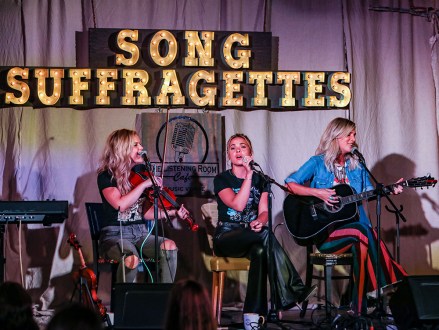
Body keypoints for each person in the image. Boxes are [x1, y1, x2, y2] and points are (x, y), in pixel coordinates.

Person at [284, 117, 407, 315]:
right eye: (348, 134)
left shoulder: (357, 165)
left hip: (357, 233)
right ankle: (392, 286)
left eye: (354, 134)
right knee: (364, 233)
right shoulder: (317, 163)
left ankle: (358, 310)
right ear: (335, 137)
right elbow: (290, 184)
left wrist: (389, 190)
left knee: (363, 239)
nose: (353, 139)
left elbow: (369, 191)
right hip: (327, 236)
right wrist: (319, 193)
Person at [213, 133, 317, 317]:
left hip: (253, 236)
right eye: (233, 147)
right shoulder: (222, 179)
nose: (238, 150)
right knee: (266, 234)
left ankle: (253, 316)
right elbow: (238, 205)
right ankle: (292, 290)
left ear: (250, 152)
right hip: (227, 236)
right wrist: (249, 176)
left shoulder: (262, 180)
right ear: (228, 155)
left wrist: (259, 222)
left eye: (242, 146)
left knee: (261, 252)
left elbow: (263, 212)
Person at [97, 128, 189, 283]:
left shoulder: (138, 176)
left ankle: (165, 299)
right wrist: (144, 185)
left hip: (140, 233)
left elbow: (146, 213)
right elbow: (120, 205)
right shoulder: (107, 176)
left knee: (169, 245)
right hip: (114, 235)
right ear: (122, 148)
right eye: (135, 145)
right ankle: (125, 303)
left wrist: (173, 212)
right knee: (131, 257)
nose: (141, 148)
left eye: (140, 144)